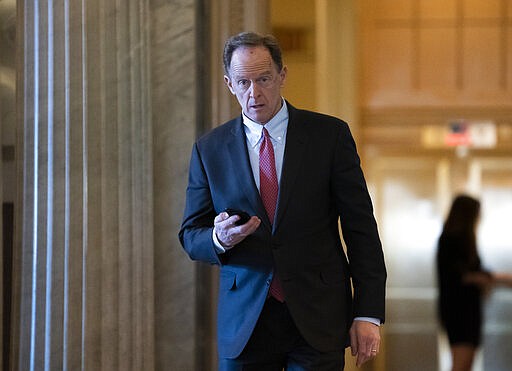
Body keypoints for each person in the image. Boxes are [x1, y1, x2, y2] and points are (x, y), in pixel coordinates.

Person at [179, 31, 386, 371]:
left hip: (318, 318)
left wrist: (367, 312)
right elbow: (190, 235)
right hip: (245, 323)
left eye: (263, 79)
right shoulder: (209, 149)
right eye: (243, 82)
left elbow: (361, 228)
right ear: (230, 84)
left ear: (282, 76)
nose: (254, 93)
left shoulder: (329, 136)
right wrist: (219, 238)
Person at [436, 194, 512, 371]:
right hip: (458, 309)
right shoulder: (451, 240)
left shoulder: (464, 241)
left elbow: (475, 272)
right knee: (461, 363)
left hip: (467, 309)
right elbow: (462, 275)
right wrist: (501, 279)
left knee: (466, 363)